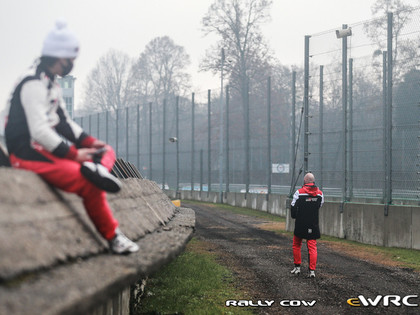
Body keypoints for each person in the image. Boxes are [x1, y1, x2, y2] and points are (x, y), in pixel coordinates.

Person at [4, 19, 139, 254]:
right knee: (89, 185)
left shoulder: (50, 83)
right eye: (71, 59)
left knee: (106, 150)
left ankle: (100, 170)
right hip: (25, 153)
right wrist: (75, 155)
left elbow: (63, 122)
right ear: (58, 56)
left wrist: (89, 143)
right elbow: (40, 130)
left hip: (44, 148)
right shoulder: (33, 83)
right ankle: (113, 237)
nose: (72, 64)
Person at [290, 172, 324, 278]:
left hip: (300, 223)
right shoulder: (319, 194)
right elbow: (320, 205)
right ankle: (312, 271)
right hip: (313, 223)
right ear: (313, 181)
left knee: (296, 244)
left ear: (305, 181)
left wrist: (295, 216)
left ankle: (297, 267)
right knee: (312, 247)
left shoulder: (299, 193)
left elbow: (293, 206)